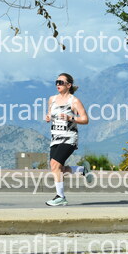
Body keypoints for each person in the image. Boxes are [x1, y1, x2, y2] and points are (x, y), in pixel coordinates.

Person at [44, 73, 92, 206]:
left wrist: (71, 118)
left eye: (61, 82)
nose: (57, 84)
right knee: (57, 168)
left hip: (69, 137)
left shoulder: (74, 101)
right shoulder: (52, 99)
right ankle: (82, 170)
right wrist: (48, 117)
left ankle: (60, 197)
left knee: (55, 164)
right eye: (56, 82)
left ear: (68, 85)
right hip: (55, 137)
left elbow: (85, 119)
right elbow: (50, 114)